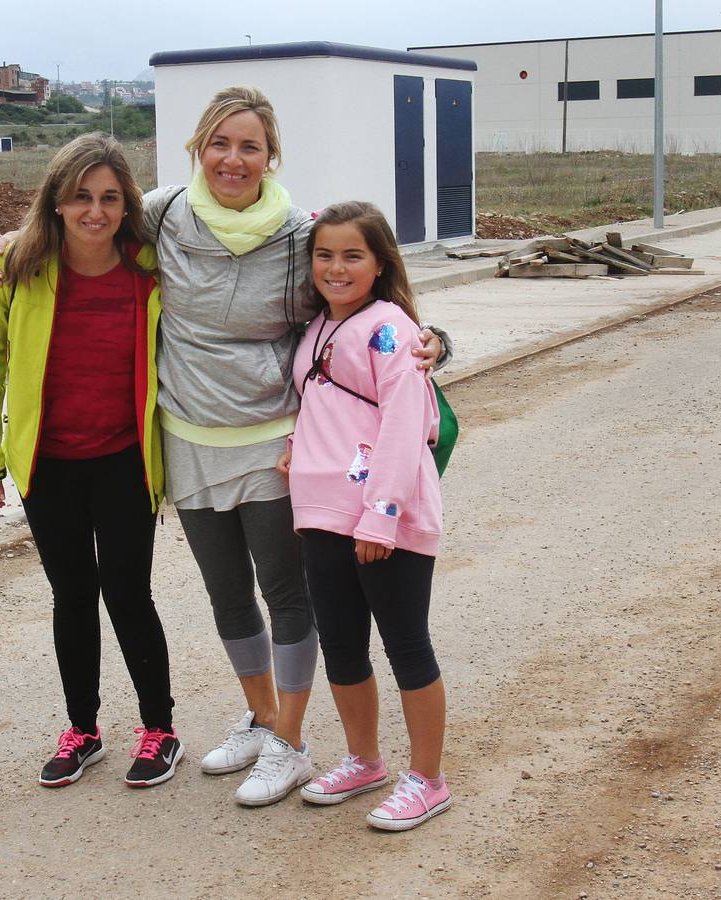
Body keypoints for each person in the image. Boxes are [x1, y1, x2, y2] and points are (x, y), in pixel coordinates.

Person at [0, 87, 445, 807]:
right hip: (187, 437)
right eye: (220, 144)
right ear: (199, 147)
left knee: (286, 596)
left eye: (250, 146)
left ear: (270, 155)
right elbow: (81, 227)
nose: (233, 159)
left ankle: (290, 740)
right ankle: (261, 717)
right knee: (227, 596)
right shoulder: (161, 215)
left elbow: (362, 285)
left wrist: (433, 342)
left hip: (274, 442)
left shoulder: (298, 231)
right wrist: (11, 245)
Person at [0, 133, 183, 791]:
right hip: (46, 465)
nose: (95, 211)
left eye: (110, 197)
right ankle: (82, 731)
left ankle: (159, 730)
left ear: (126, 205)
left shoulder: (150, 265)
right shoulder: (19, 264)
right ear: (56, 203)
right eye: (80, 196)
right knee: (72, 596)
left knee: (127, 592)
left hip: (124, 459)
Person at [278, 201, 449, 831]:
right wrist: (299, 447)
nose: (336, 267)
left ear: (379, 264)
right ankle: (364, 759)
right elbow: (331, 404)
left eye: (353, 255)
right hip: (321, 510)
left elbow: (406, 427)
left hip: (383, 518)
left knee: (406, 644)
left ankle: (427, 779)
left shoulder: (393, 329)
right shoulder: (319, 326)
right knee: (342, 645)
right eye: (325, 255)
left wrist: (380, 517)